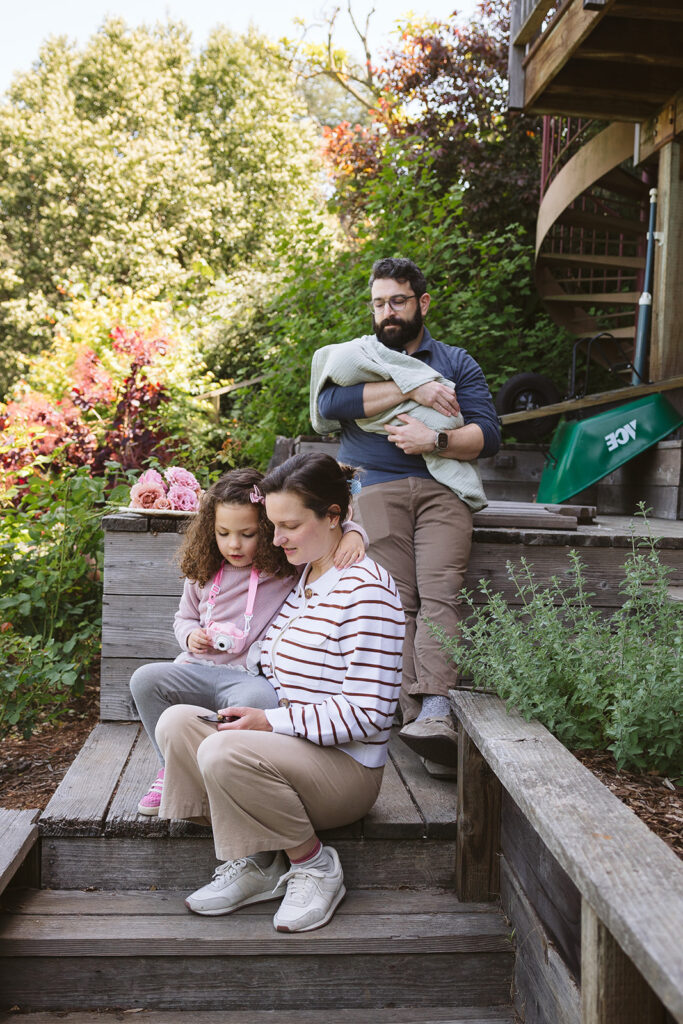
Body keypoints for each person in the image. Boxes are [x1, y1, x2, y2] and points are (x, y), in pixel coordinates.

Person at [154, 453, 405, 932]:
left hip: (345, 769)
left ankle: (314, 866)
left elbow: (371, 714)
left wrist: (270, 721)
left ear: (335, 516)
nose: (275, 539)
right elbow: (264, 654)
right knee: (178, 724)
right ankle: (257, 860)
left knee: (226, 750)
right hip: (291, 748)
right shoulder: (306, 574)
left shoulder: (366, 592)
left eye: (288, 525)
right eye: (271, 525)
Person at [310, 257, 501, 773]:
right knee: (398, 600)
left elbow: (490, 436)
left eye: (397, 301)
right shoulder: (359, 357)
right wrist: (412, 387)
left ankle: (433, 710)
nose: (387, 312)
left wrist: (434, 438)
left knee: (441, 591)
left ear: (422, 302)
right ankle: (428, 724)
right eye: (378, 303)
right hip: (375, 488)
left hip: (444, 488)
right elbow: (331, 404)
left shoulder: (457, 363)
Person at [131, 466, 367, 815]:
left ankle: (222, 776)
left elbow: (326, 527)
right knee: (144, 679)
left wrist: (354, 533)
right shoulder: (203, 570)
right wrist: (190, 636)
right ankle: (172, 767)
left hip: (248, 679)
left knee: (260, 698)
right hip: (199, 669)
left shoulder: (284, 568)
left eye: (248, 533)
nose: (234, 544)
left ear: (268, 529)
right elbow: (184, 618)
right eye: (223, 533)